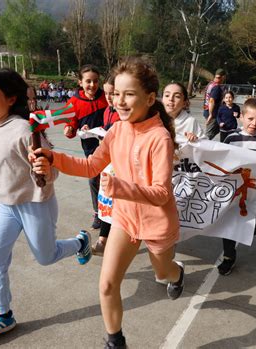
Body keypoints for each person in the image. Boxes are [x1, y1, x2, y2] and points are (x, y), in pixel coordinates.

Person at [31, 57, 185, 349]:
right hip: (125, 219)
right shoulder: (116, 131)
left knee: (162, 273)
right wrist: (54, 158)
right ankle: (115, 342)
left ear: (150, 98)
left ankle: (177, 274)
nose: (120, 101)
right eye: (117, 94)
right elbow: (90, 165)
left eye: (129, 94)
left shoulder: (160, 137)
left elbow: (161, 193)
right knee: (106, 284)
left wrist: (121, 187)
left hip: (156, 223)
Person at [0, 68, 92, 343]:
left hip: (35, 204)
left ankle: (79, 242)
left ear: (11, 98)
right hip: (6, 206)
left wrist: (46, 169)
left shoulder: (27, 129)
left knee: (46, 257)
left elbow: (52, 168)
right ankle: (3, 314)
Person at [217, 98, 256, 275]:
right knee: (229, 222)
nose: (254, 124)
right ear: (241, 117)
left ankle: (241, 235)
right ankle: (228, 256)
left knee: (254, 228)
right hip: (234, 191)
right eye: (250, 118)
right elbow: (219, 159)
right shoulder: (232, 138)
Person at [63, 64, 108, 230]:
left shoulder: (106, 97)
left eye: (95, 81)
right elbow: (71, 126)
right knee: (94, 179)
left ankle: (114, 213)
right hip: (90, 149)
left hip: (110, 145)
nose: (92, 85)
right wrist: (69, 130)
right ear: (80, 82)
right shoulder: (74, 102)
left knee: (112, 179)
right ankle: (98, 212)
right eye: (88, 81)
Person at [92, 74, 121, 256]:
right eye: (107, 93)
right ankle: (103, 239)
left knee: (117, 201)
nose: (109, 97)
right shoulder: (107, 111)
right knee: (107, 200)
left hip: (121, 165)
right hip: (108, 162)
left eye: (114, 93)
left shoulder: (124, 113)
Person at [203, 68, 226, 140]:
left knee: (221, 127)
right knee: (208, 136)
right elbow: (212, 100)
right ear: (223, 77)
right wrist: (210, 114)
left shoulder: (210, 84)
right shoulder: (216, 87)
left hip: (207, 110)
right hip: (213, 114)